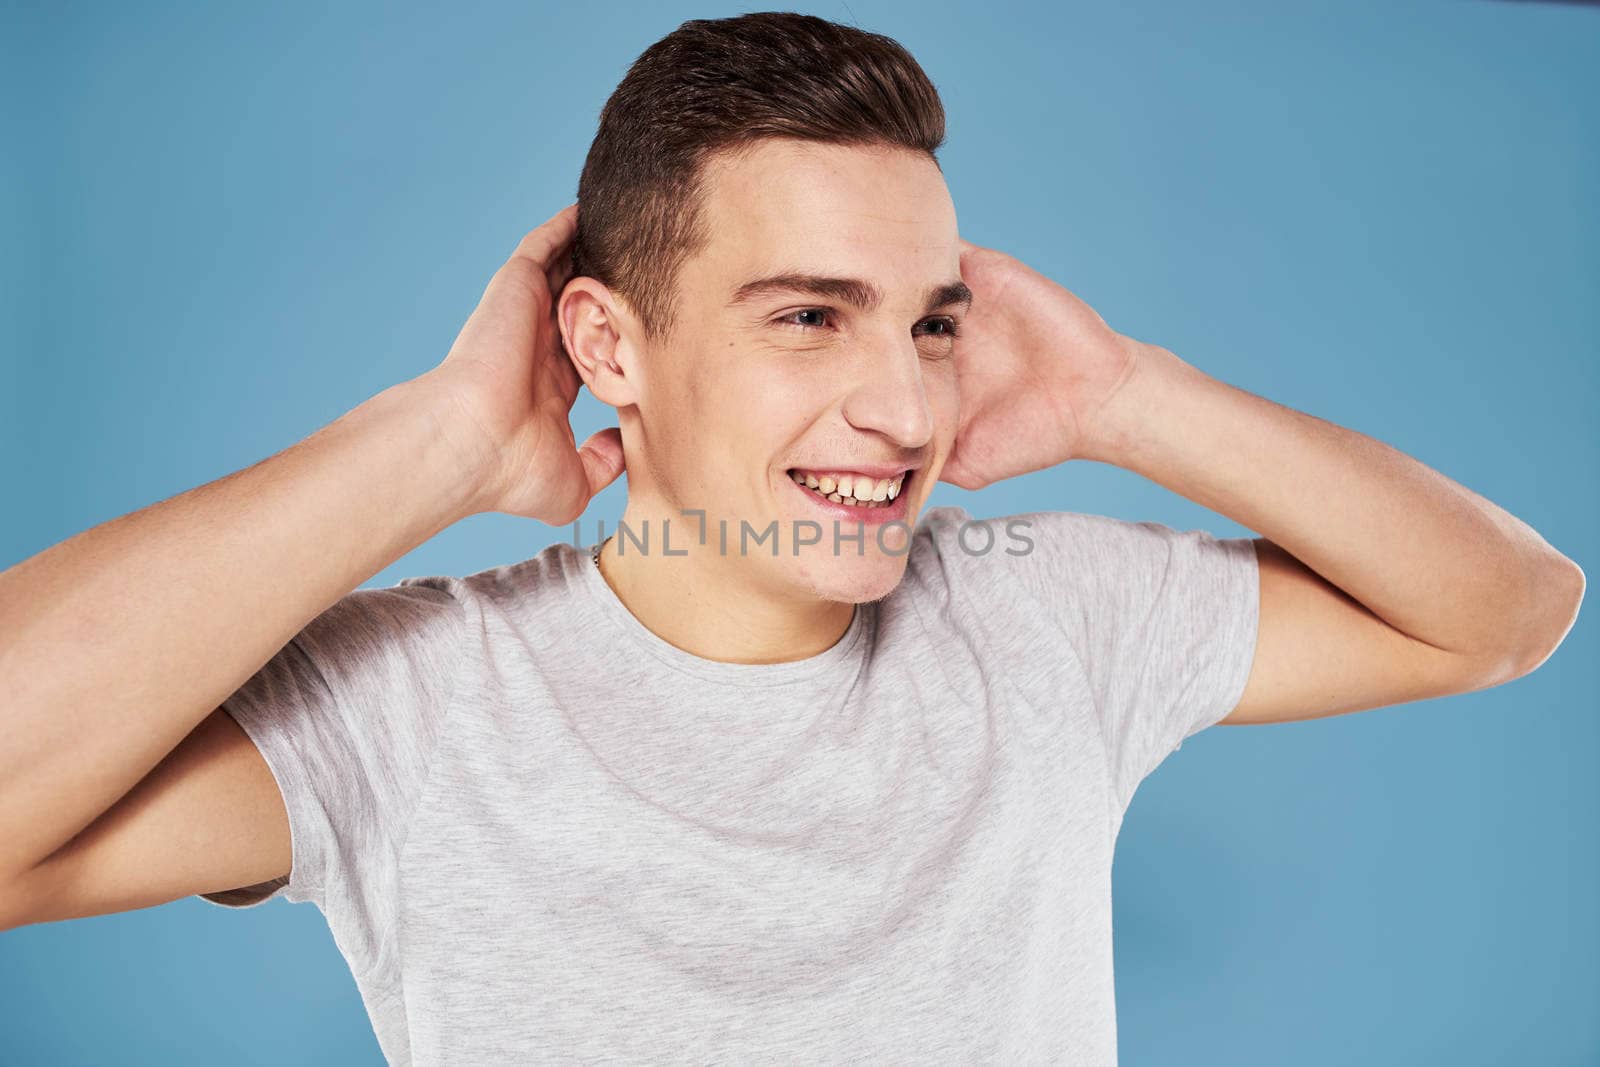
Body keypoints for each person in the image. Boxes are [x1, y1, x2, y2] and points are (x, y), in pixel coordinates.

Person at [0, 11, 1582, 1066]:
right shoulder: (416, 703)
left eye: (932, 324)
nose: (900, 407)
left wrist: (1123, 395)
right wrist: (437, 443)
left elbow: (1507, 611)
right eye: (809, 318)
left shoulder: (1048, 620)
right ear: (608, 346)